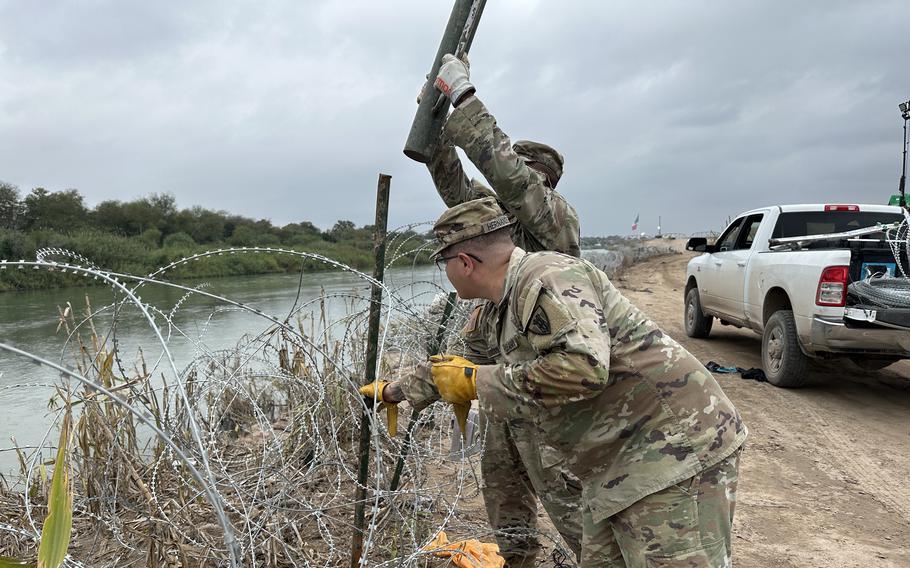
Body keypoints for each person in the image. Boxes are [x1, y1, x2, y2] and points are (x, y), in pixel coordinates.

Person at [402, 197, 748, 566]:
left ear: (465, 263)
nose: (445, 272)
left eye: (444, 262)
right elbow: (461, 366)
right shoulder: (497, 307)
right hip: (615, 465)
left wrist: (477, 383)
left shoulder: (548, 278)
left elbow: (584, 368)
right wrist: (397, 391)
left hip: (672, 452)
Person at [421, 52, 584, 563]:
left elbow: (509, 179)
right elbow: (455, 186)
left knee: (573, 510)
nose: (505, 185)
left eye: (521, 176)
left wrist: (465, 98)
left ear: (541, 182)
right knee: (506, 501)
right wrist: (435, 118)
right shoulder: (497, 226)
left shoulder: (557, 225)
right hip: (499, 382)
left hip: (544, 388)